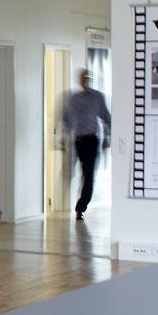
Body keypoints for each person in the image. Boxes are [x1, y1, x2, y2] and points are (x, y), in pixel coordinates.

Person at [60, 69, 111, 219]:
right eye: (83, 78)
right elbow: (66, 119)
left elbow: (107, 118)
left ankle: (80, 208)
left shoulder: (97, 97)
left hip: (91, 140)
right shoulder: (73, 99)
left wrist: (107, 138)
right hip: (77, 141)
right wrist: (62, 138)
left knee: (88, 176)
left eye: (87, 77)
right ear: (79, 80)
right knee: (69, 172)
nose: (85, 80)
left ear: (90, 80)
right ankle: (64, 202)